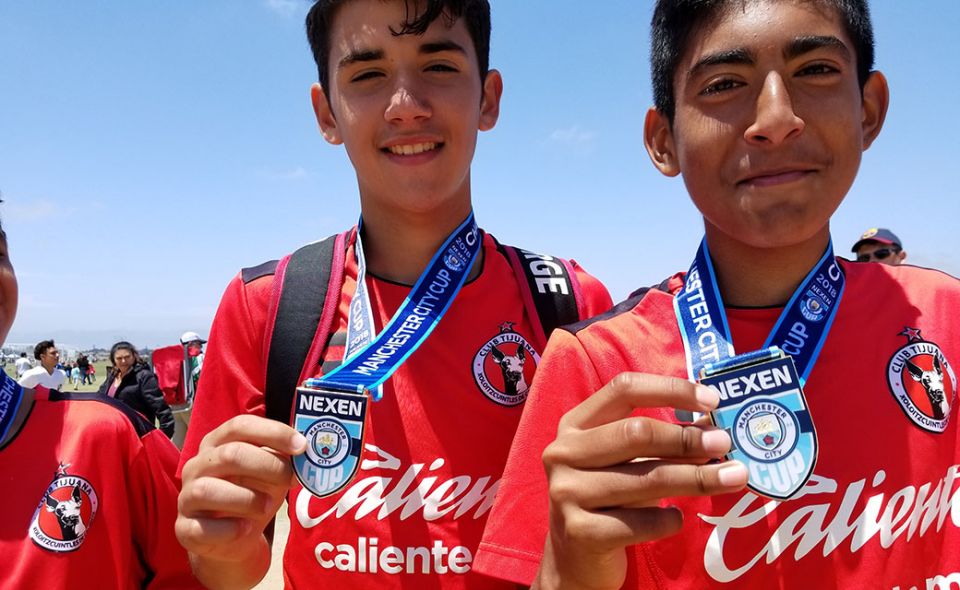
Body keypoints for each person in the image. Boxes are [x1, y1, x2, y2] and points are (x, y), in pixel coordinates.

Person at [473, 1, 960, 588]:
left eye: (816, 71)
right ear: (663, 141)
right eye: (725, 84)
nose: (777, 118)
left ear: (870, 108)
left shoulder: (947, 321)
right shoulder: (598, 371)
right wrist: (569, 572)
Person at [174, 1, 612, 588]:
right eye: (367, 75)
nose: (406, 105)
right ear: (326, 113)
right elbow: (225, 570)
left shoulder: (570, 306)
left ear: (488, 97)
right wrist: (218, 546)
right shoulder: (267, 305)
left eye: (438, 65)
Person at [0, 216, 203, 588]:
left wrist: (161, 428)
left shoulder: (107, 432)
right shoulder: (107, 383)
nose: (123, 362)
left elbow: (196, 571)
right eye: (119, 358)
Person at [98, 341, 175, 439]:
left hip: (138, 435)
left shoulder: (144, 376)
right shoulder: (112, 377)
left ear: (134, 356)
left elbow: (162, 410)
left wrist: (162, 439)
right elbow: (99, 400)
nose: (123, 361)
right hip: (114, 434)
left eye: (127, 357)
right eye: (119, 358)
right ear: (113, 360)